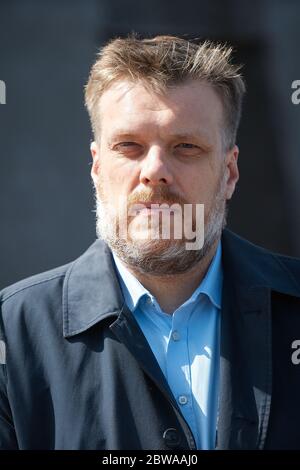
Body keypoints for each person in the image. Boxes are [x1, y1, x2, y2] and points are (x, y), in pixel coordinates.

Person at [1, 35, 300, 451]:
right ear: (97, 168)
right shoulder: (12, 336)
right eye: (129, 146)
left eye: (186, 147)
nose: (155, 171)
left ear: (229, 173)